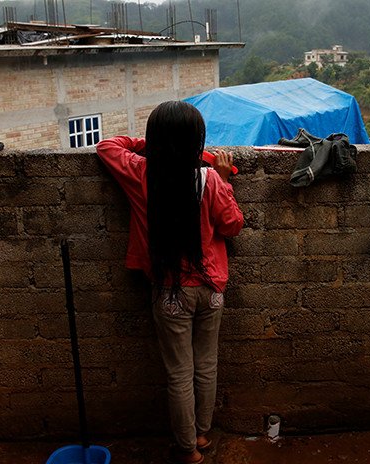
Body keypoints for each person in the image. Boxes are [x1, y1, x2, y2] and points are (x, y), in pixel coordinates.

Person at [96, 101, 244, 464]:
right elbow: (233, 226)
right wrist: (225, 181)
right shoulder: (210, 180)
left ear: (156, 140)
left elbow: (107, 146)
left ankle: (187, 448)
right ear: (197, 141)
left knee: (179, 373)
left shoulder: (140, 173)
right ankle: (203, 434)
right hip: (210, 289)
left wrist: (149, 146)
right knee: (206, 365)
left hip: (170, 293)